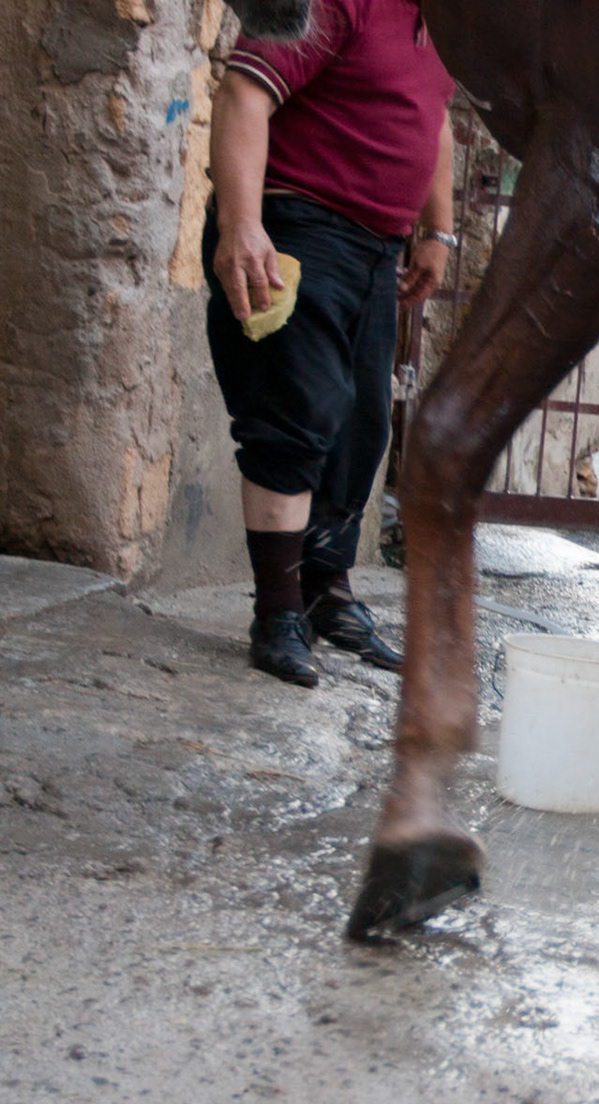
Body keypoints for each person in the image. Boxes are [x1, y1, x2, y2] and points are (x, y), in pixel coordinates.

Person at [206, 0, 457, 686]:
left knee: (359, 429)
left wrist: (437, 231)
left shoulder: (446, 25)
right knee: (297, 413)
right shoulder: (343, 3)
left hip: (377, 250)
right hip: (297, 225)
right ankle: (278, 613)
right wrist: (241, 225)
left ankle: (326, 592)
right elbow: (244, 92)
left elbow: (434, 119)